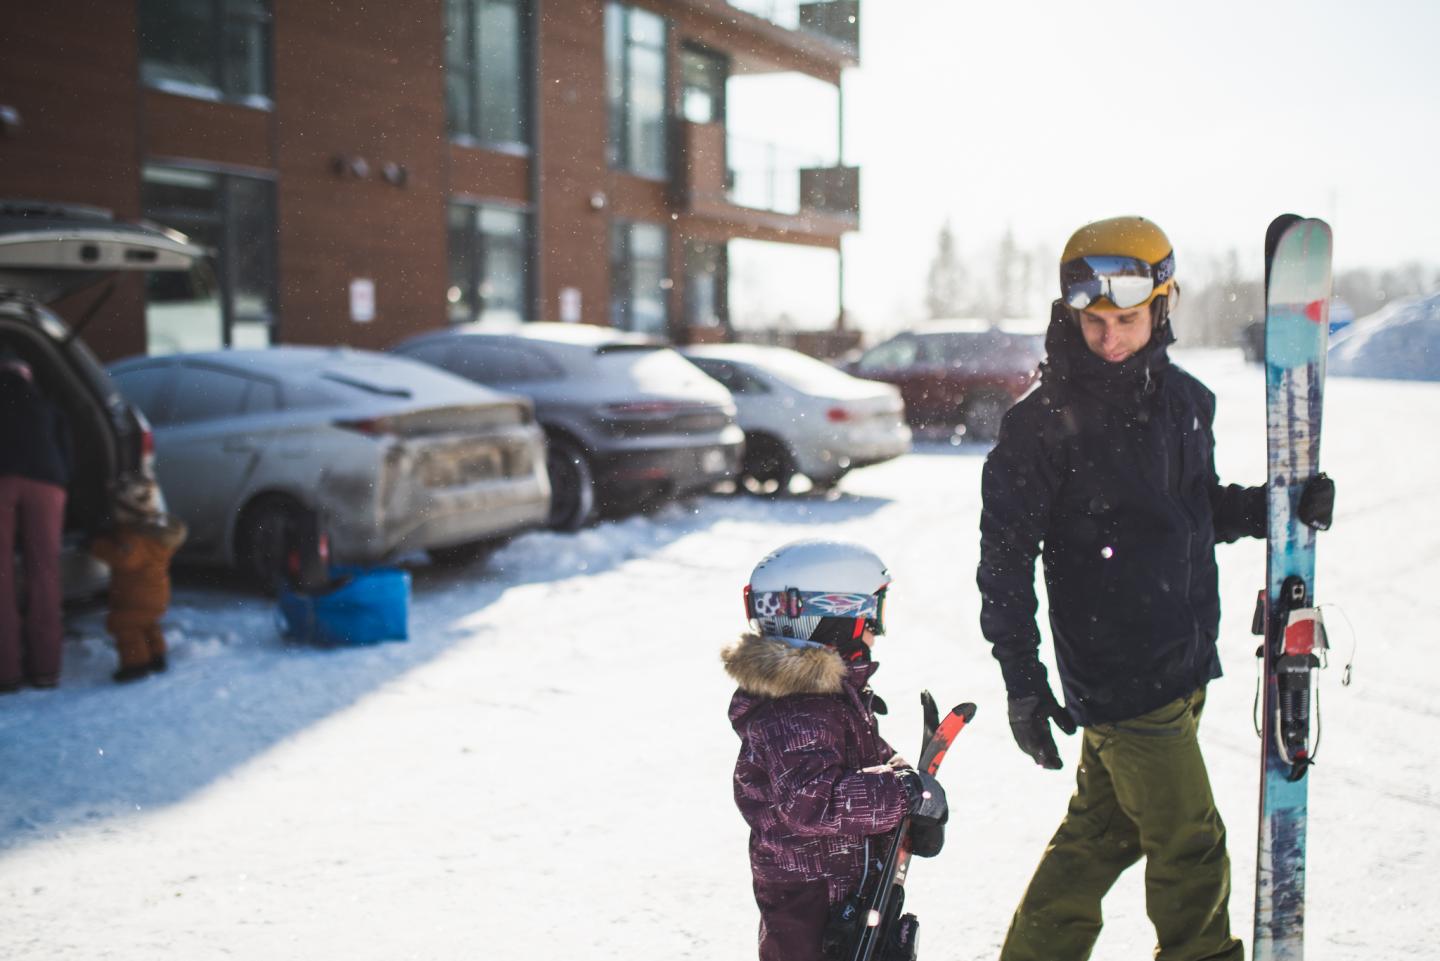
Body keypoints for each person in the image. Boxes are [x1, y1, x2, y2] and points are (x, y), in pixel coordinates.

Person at [977, 216, 1335, 961]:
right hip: (1120, 676)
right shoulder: (1039, 426)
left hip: (1180, 659)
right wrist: (1022, 680)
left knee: (1099, 838)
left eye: (1128, 319)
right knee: (1189, 842)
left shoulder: (1183, 403)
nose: (1109, 337)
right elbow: (1005, 563)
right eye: (1095, 320)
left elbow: (1193, 510)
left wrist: (1277, 506)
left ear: (1162, 306)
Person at [724, 540, 948, 961]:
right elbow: (814, 802)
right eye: (871, 618)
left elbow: (867, 762)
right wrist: (902, 795)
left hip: (846, 888)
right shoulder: (798, 711)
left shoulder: (827, 700)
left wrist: (908, 784)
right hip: (811, 904)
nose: (875, 632)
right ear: (828, 620)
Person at [0, 350, 72, 692]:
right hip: (47, 485)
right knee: (44, 574)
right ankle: (46, 670)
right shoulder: (48, 407)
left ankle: (7, 673)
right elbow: (67, 457)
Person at [89, 475, 187, 683]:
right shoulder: (156, 534)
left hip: (135, 597)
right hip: (157, 593)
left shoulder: (133, 539)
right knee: (148, 624)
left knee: (126, 626)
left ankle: (135, 664)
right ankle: (157, 655)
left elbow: (124, 559)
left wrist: (97, 545)